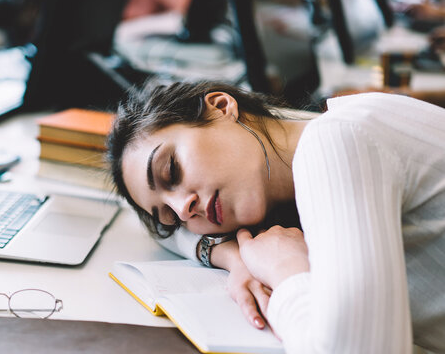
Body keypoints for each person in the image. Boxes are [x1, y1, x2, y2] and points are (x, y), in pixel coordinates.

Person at [106, 80, 445, 353]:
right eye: (171, 215)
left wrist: (286, 271)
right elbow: (154, 230)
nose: (183, 209)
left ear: (222, 107)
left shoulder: (335, 143)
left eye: (172, 170)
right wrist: (231, 256)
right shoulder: (309, 140)